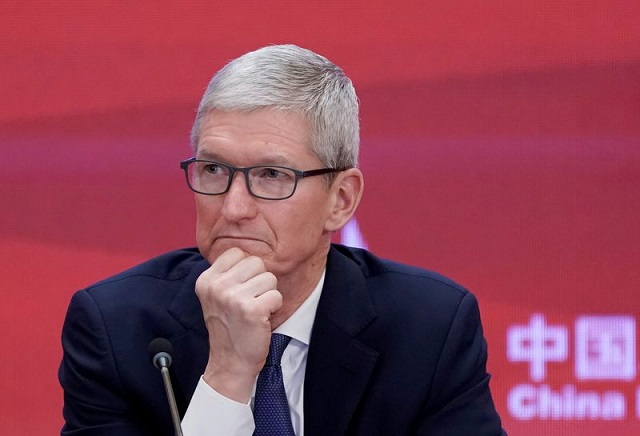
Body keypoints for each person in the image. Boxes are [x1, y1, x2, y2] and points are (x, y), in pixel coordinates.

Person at [59, 44, 506, 435]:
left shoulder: (428, 329)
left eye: (272, 175)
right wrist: (228, 374)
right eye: (214, 169)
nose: (233, 208)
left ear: (341, 200)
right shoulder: (116, 329)